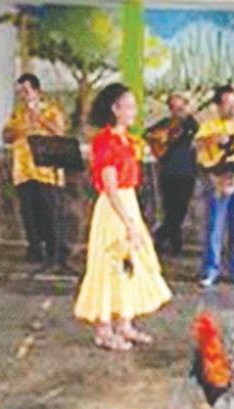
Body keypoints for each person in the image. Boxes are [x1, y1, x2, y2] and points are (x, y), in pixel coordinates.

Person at [74, 83, 172, 351]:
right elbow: (110, 186)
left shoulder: (127, 140)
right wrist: (128, 221)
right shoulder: (105, 141)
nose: (133, 111)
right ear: (115, 109)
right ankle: (104, 330)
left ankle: (124, 323)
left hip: (128, 203)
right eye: (128, 106)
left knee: (131, 264)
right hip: (114, 208)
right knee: (111, 265)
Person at [2, 73, 70, 269]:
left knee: (50, 212)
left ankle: (55, 252)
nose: (22, 96)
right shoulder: (18, 113)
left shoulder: (51, 110)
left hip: (46, 171)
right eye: (19, 92)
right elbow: (6, 135)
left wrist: (38, 118)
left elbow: (60, 133)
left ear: (37, 91)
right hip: (23, 170)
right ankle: (35, 249)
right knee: (29, 213)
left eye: (26, 91)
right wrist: (19, 128)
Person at [195, 85, 234, 288]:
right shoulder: (209, 125)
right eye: (227, 103)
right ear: (218, 106)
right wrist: (213, 138)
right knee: (214, 227)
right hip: (216, 179)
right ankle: (210, 270)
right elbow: (198, 147)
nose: (232, 107)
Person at [149, 92, 199, 256]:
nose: (178, 110)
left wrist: (183, 123)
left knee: (181, 209)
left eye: (181, 107)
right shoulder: (165, 123)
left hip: (186, 171)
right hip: (168, 170)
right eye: (174, 107)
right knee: (169, 209)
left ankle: (161, 238)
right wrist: (161, 138)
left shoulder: (190, 123)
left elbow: (192, 131)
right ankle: (174, 243)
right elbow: (148, 134)